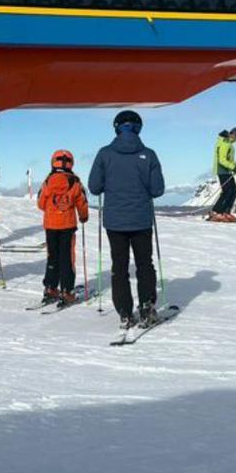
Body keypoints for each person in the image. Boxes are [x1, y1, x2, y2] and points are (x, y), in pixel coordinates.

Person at [88, 109, 166, 329]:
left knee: (119, 267)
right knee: (144, 264)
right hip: (141, 220)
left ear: (116, 127)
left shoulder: (104, 154)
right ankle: (147, 307)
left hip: (115, 222)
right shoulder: (149, 154)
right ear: (138, 128)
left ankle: (124, 312)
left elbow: (94, 187)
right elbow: (157, 189)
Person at [36, 149, 90, 305]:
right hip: (67, 225)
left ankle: (51, 287)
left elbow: (40, 203)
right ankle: (67, 290)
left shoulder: (48, 181)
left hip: (51, 225)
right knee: (67, 258)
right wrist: (83, 216)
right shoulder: (75, 182)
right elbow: (82, 202)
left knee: (52, 257)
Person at [208, 127, 236, 222]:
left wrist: (235, 167)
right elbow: (222, 160)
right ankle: (216, 212)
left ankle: (226, 212)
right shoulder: (224, 143)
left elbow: (228, 159)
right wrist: (233, 167)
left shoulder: (228, 143)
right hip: (222, 169)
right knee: (227, 191)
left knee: (234, 190)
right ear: (233, 134)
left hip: (227, 170)